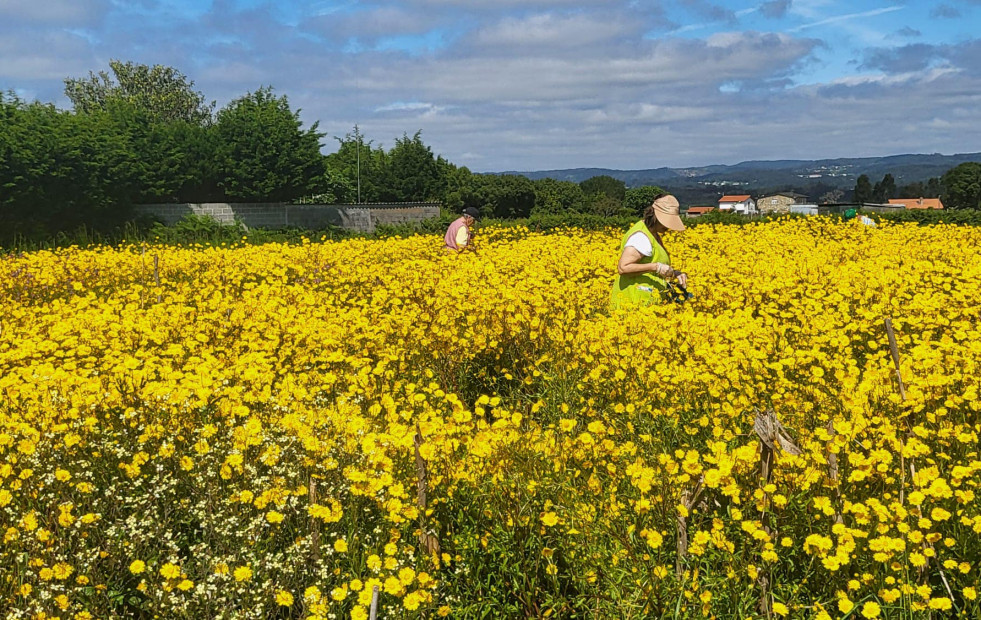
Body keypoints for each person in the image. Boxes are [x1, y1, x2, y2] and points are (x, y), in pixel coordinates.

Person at [610, 194, 688, 310]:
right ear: (655, 217)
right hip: (633, 303)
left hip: (647, 302)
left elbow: (653, 263)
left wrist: (674, 273)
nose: (668, 227)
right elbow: (623, 267)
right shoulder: (641, 237)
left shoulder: (652, 233)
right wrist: (656, 267)